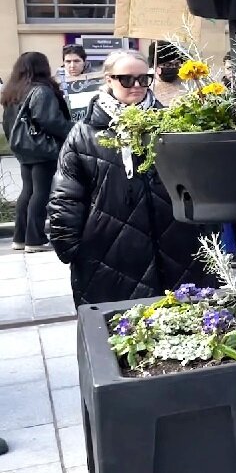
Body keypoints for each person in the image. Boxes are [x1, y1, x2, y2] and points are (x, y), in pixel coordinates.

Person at [48, 50, 215, 304]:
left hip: (177, 244)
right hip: (110, 251)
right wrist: (69, 246)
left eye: (143, 79)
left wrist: (207, 230)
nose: (136, 86)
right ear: (109, 80)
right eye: (126, 79)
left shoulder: (171, 123)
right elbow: (66, 196)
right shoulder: (84, 134)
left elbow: (197, 182)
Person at [2, 52, 73, 253]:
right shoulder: (42, 91)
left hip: (23, 148)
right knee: (40, 192)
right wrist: (73, 130)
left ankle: (20, 238)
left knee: (28, 191)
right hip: (43, 148)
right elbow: (50, 121)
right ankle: (35, 238)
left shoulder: (14, 91)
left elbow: (8, 123)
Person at [149, 41, 185, 106]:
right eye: (167, 65)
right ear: (154, 66)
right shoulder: (147, 86)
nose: (173, 67)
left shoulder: (186, 84)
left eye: (176, 64)